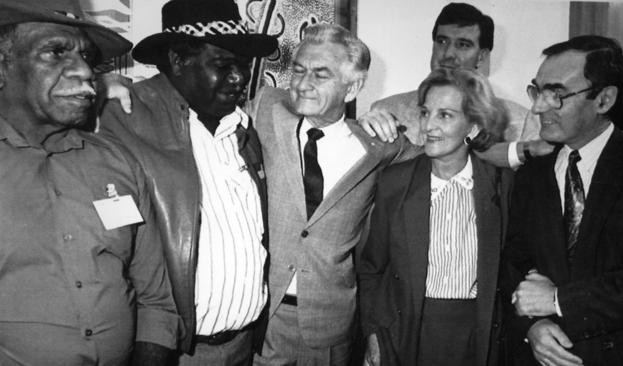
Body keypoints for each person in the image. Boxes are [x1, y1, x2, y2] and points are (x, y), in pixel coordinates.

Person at [0, 0, 181, 365]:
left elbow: (156, 301)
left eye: (87, 57)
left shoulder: (115, 160)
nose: (84, 70)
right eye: (56, 52)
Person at [99, 0, 277, 364]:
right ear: (178, 60)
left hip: (243, 347)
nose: (240, 78)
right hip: (175, 353)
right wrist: (95, 86)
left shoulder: (242, 128)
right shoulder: (124, 117)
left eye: (243, 65)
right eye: (224, 65)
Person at [247, 23, 419, 365]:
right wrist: (114, 89)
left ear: (352, 87)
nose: (302, 83)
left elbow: (442, 157)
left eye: (320, 74)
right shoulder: (267, 108)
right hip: (264, 316)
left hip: (331, 324)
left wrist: (518, 151)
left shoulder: (377, 143)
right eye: (298, 70)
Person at [500, 35, 623, 366]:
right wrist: (533, 325)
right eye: (536, 91)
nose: (538, 107)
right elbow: (513, 265)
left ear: (604, 99)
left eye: (557, 95)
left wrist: (558, 301)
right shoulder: (531, 174)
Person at [358, 68, 512, 366]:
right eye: (426, 112)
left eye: (445, 115)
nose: (428, 125)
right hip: (406, 331)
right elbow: (372, 269)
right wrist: (374, 334)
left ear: (474, 127)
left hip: (476, 334)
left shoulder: (502, 185)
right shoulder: (395, 182)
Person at [361, 2, 551, 168]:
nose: (448, 53)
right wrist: (358, 134)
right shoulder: (388, 112)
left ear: (482, 56)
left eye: (463, 45)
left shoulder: (517, 122)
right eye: (442, 41)